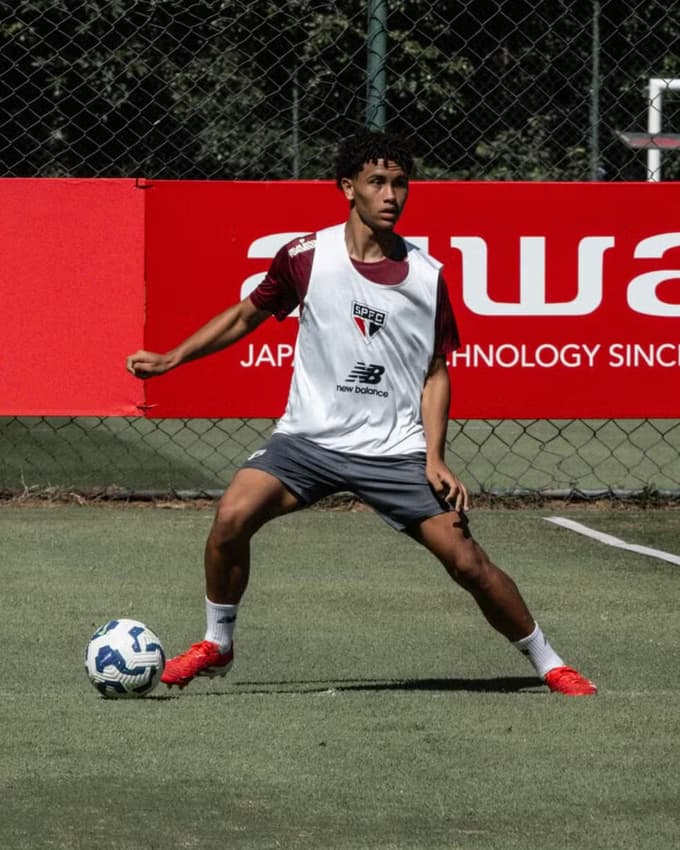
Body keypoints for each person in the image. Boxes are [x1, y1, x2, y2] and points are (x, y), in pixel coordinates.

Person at [126, 129, 597, 697]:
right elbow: (246, 316)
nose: (391, 194)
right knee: (231, 516)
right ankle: (217, 642)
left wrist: (435, 455)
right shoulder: (306, 256)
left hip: (393, 452)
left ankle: (550, 663)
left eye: (400, 183)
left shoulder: (428, 277)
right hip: (306, 443)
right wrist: (173, 357)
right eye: (377, 182)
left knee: (468, 563)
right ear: (348, 188)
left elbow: (435, 372)